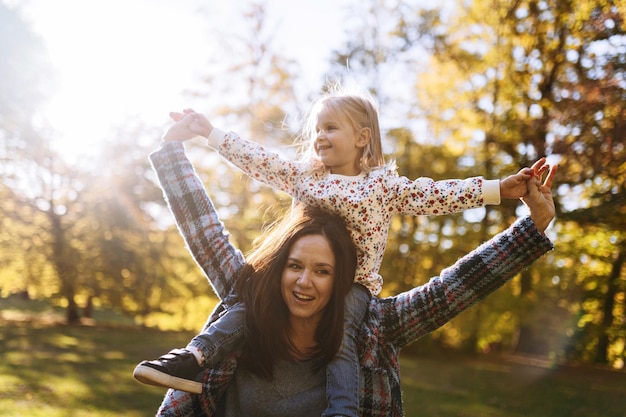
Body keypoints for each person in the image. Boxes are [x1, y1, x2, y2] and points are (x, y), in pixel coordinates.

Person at [134, 90, 545, 417]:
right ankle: (193, 356)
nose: (303, 280)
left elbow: (449, 259)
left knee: (341, 335)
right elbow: (224, 204)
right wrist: (199, 137)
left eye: (321, 270)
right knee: (246, 299)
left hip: (360, 289)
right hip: (256, 296)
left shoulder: (373, 324)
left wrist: (504, 197)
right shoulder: (298, 195)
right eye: (293, 265)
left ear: (362, 137)